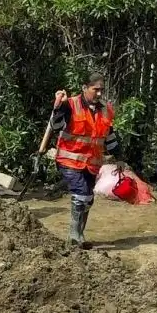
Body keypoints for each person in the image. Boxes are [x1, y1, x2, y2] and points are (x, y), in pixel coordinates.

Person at [40, 71, 122, 248]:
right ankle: (74, 237)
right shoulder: (70, 105)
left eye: (101, 90)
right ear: (85, 88)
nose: (99, 93)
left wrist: (120, 158)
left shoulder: (106, 109)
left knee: (88, 199)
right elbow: (55, 126)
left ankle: (79, 236)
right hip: (69, 161)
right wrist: (59, 107)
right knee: (82, 195)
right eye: (95, 89)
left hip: (91, 164)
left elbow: (110, 137)